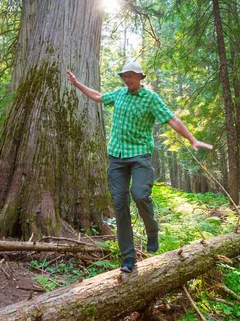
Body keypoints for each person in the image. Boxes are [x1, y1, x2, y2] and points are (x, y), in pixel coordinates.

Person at [66, 61, 212, 272]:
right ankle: (128, 258)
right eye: (125, 76)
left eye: (131, 75)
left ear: (140, 77)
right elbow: (98, 96)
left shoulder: (151, 99)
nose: (127, 79)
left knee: (140, 194)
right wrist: (78, 84)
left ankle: (152, 230)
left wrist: (192, 139)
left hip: (140, 156)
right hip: (116, 157)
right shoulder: (119, 94)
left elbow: (171, 119)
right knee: (119, 205)